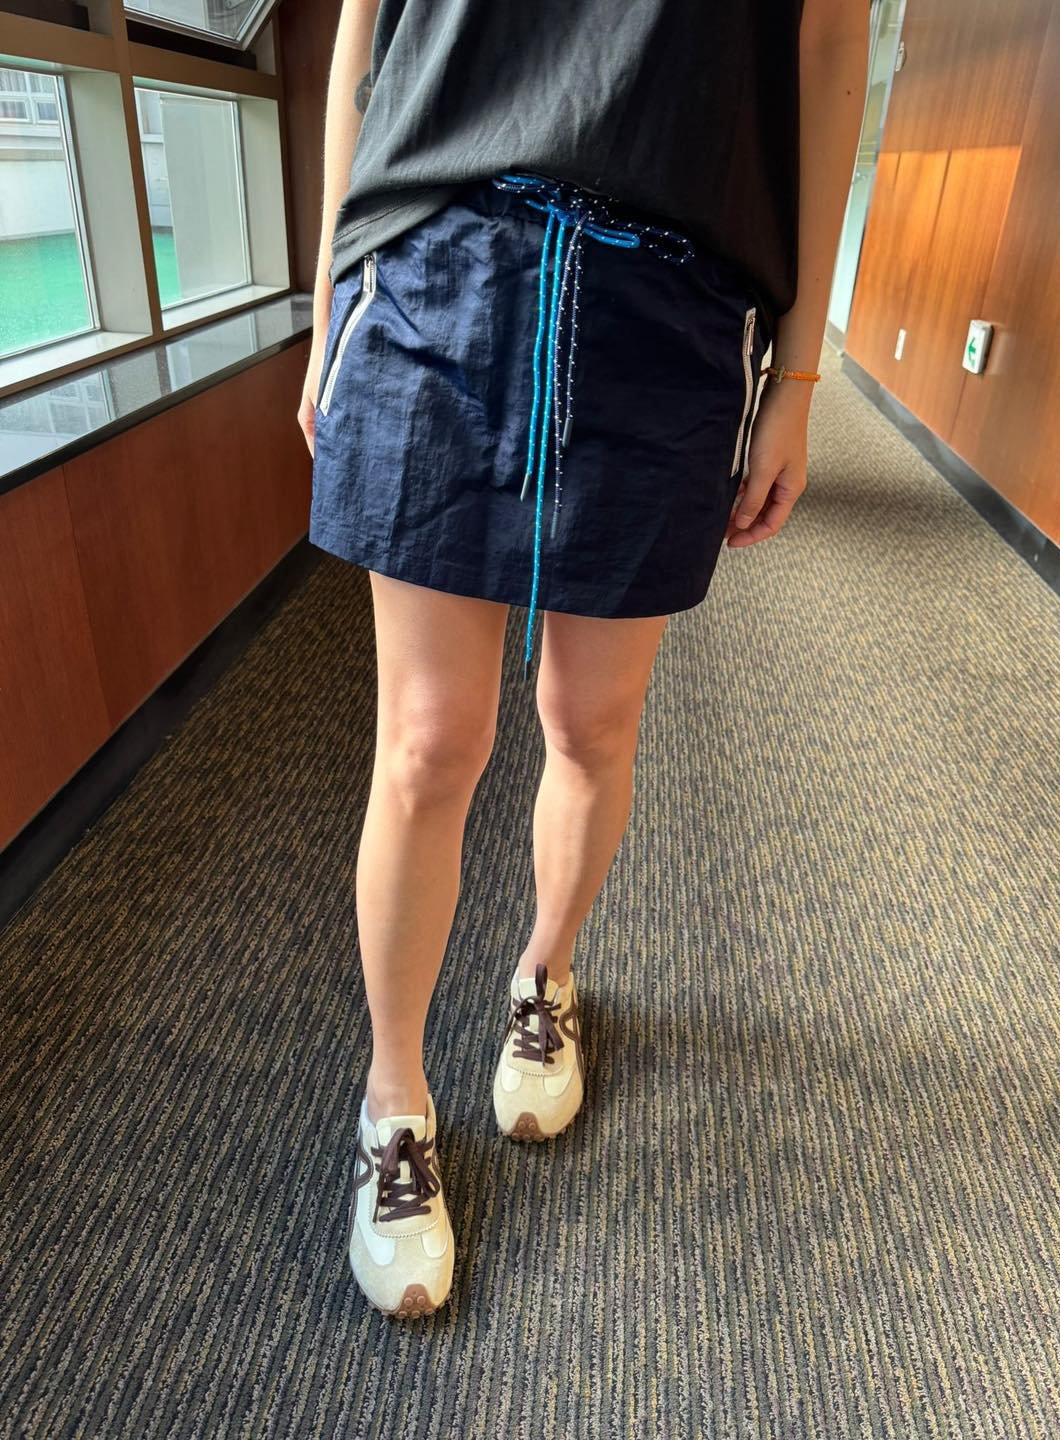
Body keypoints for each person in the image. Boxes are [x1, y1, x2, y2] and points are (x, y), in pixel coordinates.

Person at [297, 0, 869, 1319]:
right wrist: (329, 294)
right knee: (428, 740)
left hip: (667, 294)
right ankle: (393, 1102)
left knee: (593, 718)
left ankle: (545, 974)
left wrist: (798, 373)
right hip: (436, 255)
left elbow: (830, 39)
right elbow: (365, 21)